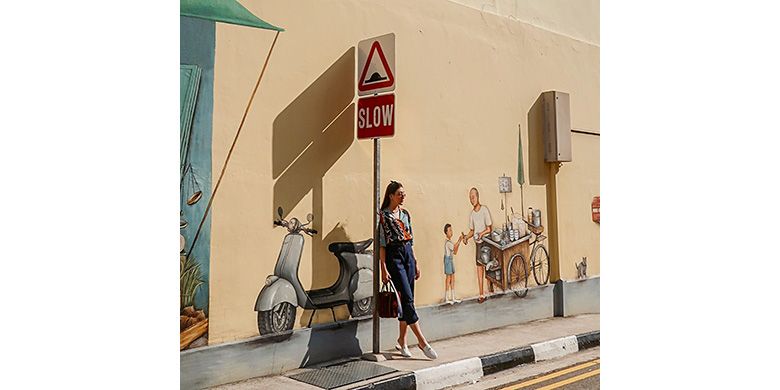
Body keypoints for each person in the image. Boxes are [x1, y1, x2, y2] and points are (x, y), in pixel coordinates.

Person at [378, 181, 438, 360]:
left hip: (408, 256)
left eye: (404, 193)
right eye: (399, 193)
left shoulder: (405, 214)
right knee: (408, 299)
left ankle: (402, 341)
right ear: (391, 196)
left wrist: (416, 262)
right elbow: (382, 244)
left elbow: (410, 240)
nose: (403, 196)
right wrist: (383, 268)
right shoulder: (383, 216)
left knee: (407, 299)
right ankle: (422, 341)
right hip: (394, 256)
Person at [462, 187, 493, 303]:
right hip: (478, 244)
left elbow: (489, 228)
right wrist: (466, 237)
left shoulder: (484, 210)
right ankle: (481, 294)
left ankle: (491, 291)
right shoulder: (472, 215)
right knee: (479, 269)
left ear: (478, 197)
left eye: (473, 197)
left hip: (487, 242)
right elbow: (472, 230)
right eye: (470, 198)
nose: (472, 199)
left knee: (488, 268)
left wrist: (481, 233)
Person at [442, 224, 463, 304]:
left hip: (450, 260)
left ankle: (453, 297)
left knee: (452, 278)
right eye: (449, 230)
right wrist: (459, 240)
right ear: (446, 232)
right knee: (448, 278)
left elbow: (455, 252)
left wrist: (458, 242)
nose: (451, 232)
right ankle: (447, 298)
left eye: (451, 230)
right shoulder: (447, 242)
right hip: (447, 260)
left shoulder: (450, 242)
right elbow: (454, 248)